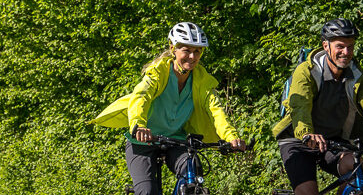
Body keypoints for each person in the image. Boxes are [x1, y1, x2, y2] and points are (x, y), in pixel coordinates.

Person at [90, 22, 246, 195]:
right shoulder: (159, 72)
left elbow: (216, 111)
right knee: (147, 191)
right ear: (173, 49)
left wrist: (231, 137)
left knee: (193, 174)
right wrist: (139, 126)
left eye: (197, 51)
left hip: (176, 141)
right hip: (142, 140)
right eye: (186, 50)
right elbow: (141, 96)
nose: (192, 57)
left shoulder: (202, 80)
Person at [272, 18, 363, 195]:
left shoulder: (356, 75)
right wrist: (306, 133)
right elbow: (299, 105)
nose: (346, 52)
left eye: (350, 46)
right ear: (326, 46)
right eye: (340, 46)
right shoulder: (307, 71)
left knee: (358, 168)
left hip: (332, 142)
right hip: (298, 140)